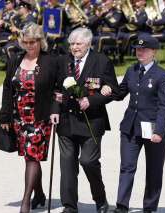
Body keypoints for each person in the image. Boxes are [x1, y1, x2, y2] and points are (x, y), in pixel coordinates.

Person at [101, 34, 165, 213]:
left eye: (144, 49)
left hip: (153, 127)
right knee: (127, 167)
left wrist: (160, 131)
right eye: (138, 49)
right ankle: (121, 206)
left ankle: (149, 207)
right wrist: (107, 90)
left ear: (154, 52)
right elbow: (120, 93)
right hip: (130, 127)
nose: (139, 52)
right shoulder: (131, 70)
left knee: (154, 170)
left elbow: (164, 107)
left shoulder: (163, 76)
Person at [50, 27, 118, 213]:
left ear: (88, 43)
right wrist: (54, 110)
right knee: (67, 165)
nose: (74, 47)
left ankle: (100, 199)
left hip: (92, 122)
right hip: (66, 121)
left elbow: (114, 89)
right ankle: (70, 206)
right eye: (72, 44)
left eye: (78, 43)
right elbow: (56, 89)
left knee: (88, 161)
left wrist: (93, 99)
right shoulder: (63, 61)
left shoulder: (101, 61)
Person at [0, 23, 60, 213]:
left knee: (32, 156)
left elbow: (58, 89)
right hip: (19, 116)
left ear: (41, 41)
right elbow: (8, 88)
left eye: (32, 42)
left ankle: (26, 200)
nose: (29, 45)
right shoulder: (16, 58)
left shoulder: (51, 61)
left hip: (40, 116)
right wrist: (5, 116)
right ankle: (39, 193)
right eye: (25, 42)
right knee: (29, 157)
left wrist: (55, 109)